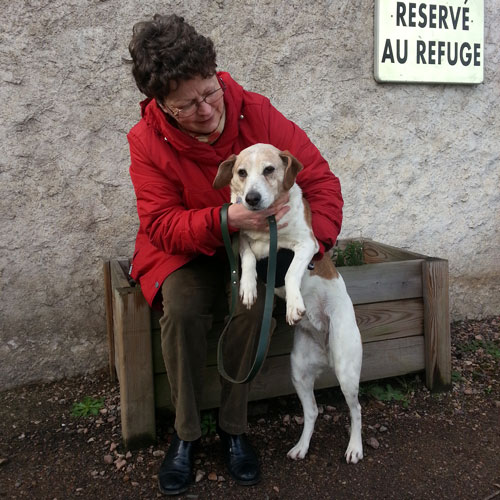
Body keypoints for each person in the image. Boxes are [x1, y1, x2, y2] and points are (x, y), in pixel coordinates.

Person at [127, 13, 344, 496]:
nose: (205, 110)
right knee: (180, 309)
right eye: (187, 106)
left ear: (215, 73)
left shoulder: (257, 113)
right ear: (160, 104)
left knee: (253, 309)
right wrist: (224, 221)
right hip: (185, 248)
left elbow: (322, 183)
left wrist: (312, 246)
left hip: (261, 244)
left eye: (209, 93)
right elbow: (160, 224)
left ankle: (233, 428)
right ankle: (185, 435)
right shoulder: (145, 142)